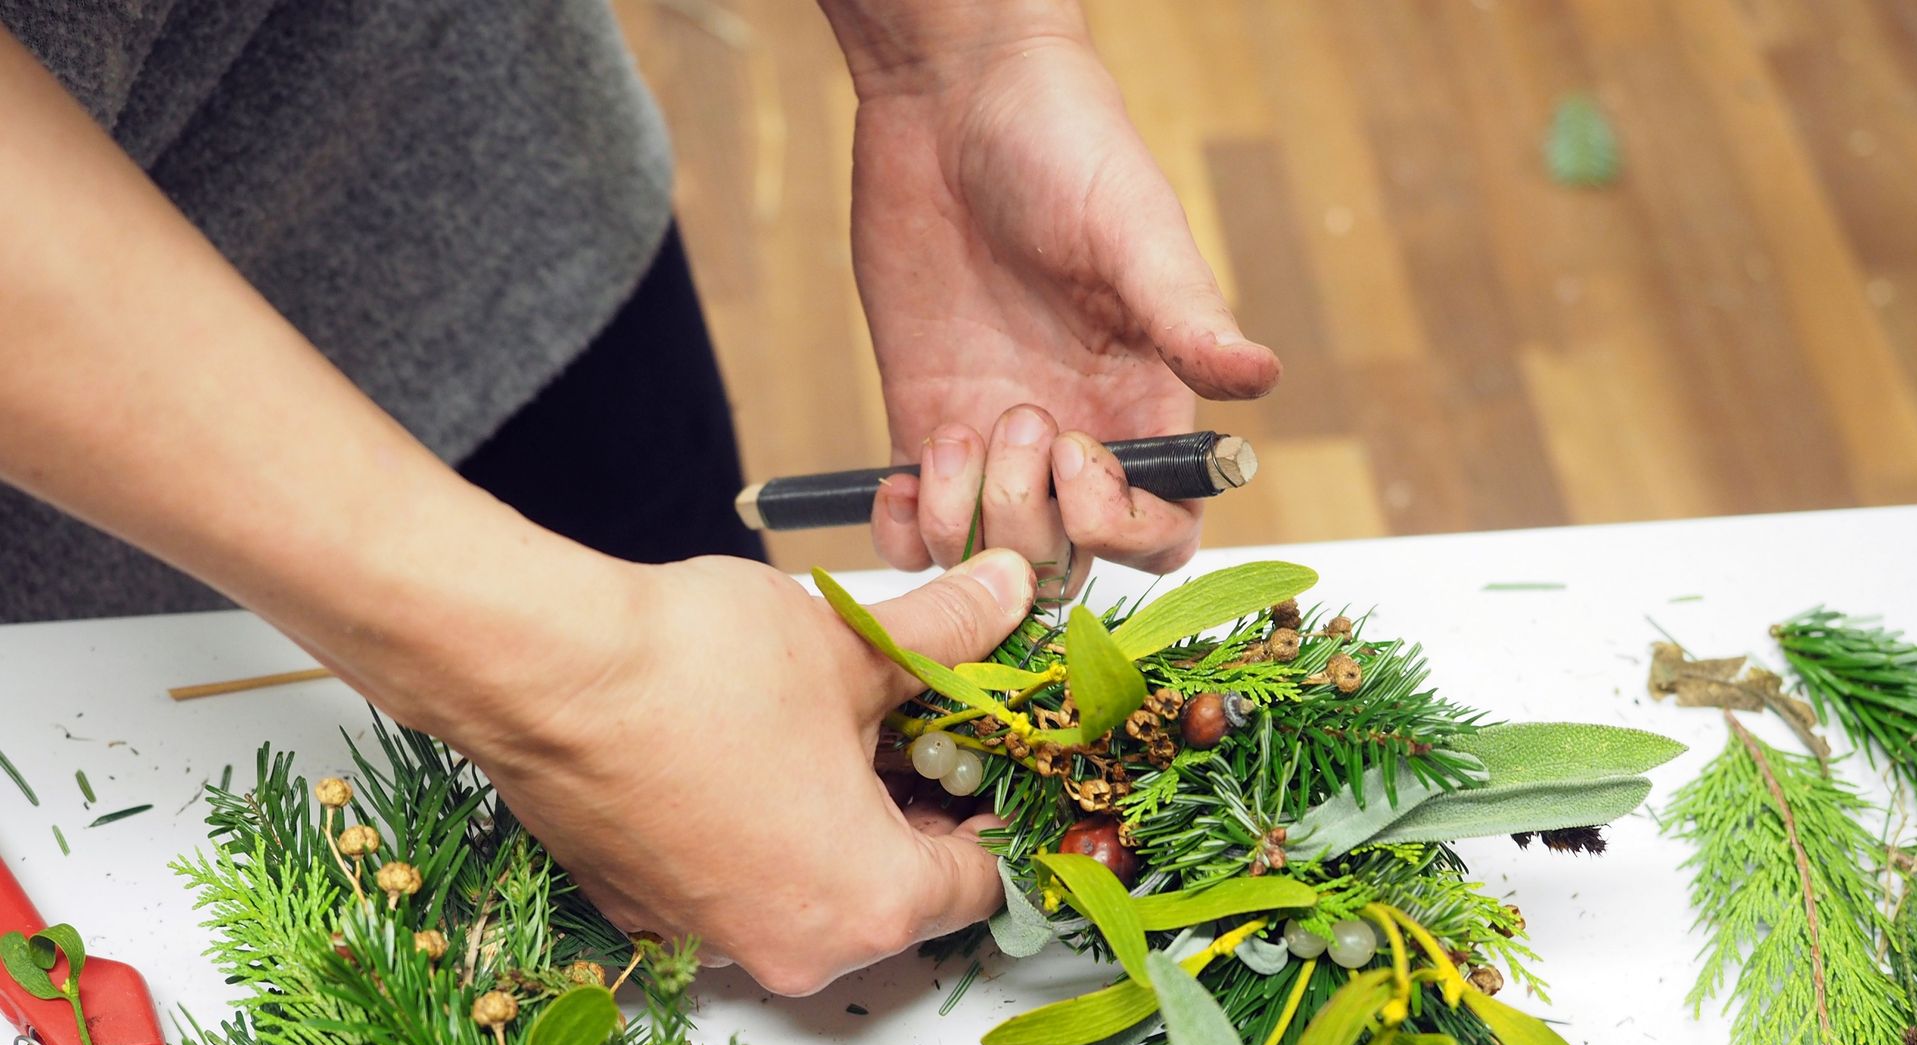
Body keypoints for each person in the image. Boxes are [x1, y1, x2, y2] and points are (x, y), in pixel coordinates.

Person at [0, 2, 1279, 993]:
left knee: (762, 771)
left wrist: (962, 58)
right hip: (63, 473)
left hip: (481, 166)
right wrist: (577, 685)